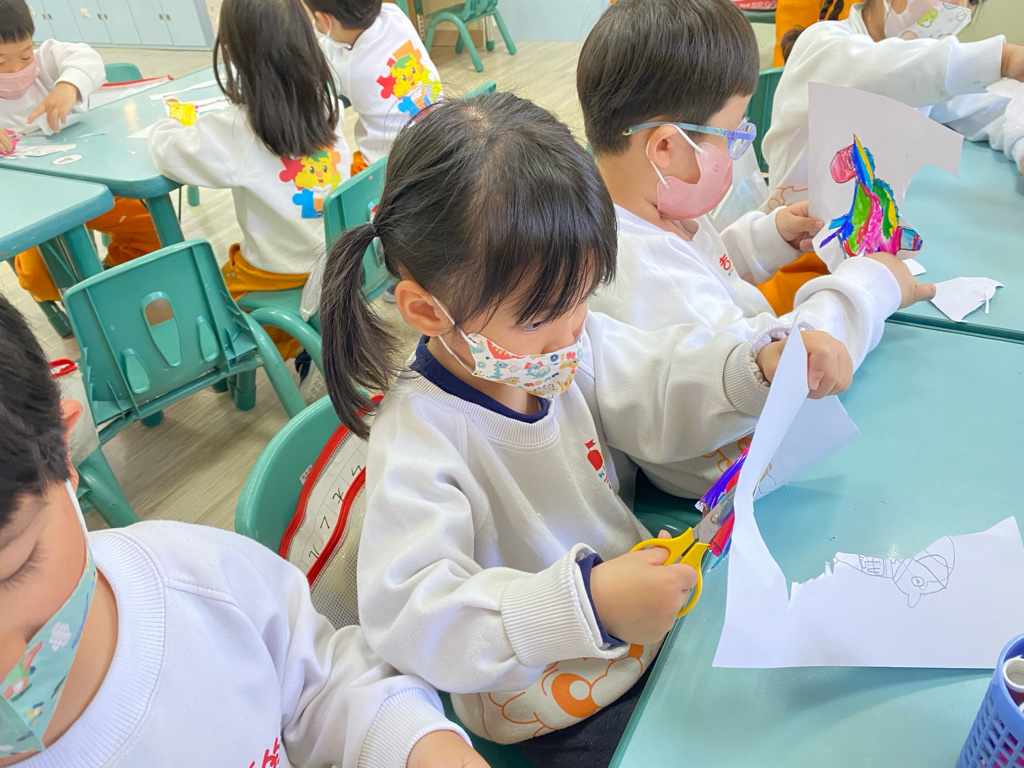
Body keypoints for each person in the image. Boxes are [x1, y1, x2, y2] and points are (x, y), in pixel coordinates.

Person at [318, 91, 853, 768]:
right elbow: (414, 616)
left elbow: (656, 377)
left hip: (645, 616)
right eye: (541, 315)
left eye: (583, 298)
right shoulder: (420, 437)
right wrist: (589, 603)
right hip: (546, 699)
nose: (573, 330)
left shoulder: (562, 345)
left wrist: (756, 365)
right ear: (427, 311)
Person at [0, 291, 487, 768]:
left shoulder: (197, 579)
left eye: (15, 568)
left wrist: (414, 742)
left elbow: (321, 682)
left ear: (64, 455)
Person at [577, 0, 932, 496]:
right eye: (732, 134)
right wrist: (873, 286)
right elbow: (785, 363)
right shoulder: (634, 269)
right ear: (666, 148)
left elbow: (703, 271)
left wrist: (768, 237)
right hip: (743, 466)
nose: (738, 146)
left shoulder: (646, 206)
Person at [149, 0, 351, 359]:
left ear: (230, 51)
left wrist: (166, 125)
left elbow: (167, 152)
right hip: (341, 262)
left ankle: (295, 347)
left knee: (205, 301)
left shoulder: (237, 128)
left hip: (280, 276)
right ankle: (312, 344)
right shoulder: (327, 102)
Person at [764, 0, 1024, 213]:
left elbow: (999, 109)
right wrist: (1002, 59)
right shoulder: (821, 42)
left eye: (972, 0)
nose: (958, 7)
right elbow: (877, 75)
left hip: (868, 244)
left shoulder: (927, 67)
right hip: (796, 250)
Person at [0, 0, 160, 304]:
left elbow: (87, 59)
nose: (16, 69)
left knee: (148, 228)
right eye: (0, 62)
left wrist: (68, 85)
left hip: (87, 185)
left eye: (25, 55)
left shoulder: (46, 60)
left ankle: (110, 278)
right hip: (31, 208)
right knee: (38, 278)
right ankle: (77, 300)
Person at [306, 0, 442, 175]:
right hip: (439, 134)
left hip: (391, 166)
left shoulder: (349, 68)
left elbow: (316, 50)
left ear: (325, 20)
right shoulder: (395, 13)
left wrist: (316, 29)